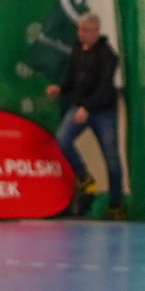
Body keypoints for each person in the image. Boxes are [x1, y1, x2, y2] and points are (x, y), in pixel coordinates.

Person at [46, 13, 125, 219]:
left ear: (96, 31)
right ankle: (84, 176)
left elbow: (105, 86)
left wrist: (88, 108)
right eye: (79, 29)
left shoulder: (107, 55)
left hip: (103, 112)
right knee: (62, 139)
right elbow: (73, 78)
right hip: (79, 107)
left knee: (111, 158)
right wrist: (61, 89)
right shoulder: (77, 50)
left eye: (85, 30)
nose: (81, 34)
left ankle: (116, 205)